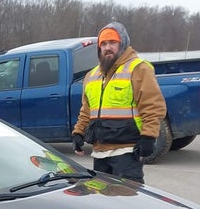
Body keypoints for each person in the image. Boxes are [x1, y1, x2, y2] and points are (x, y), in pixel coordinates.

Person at [71, 22, 166, 183]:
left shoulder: (138, 69)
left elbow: (153, 106)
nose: (108, 47)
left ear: (123, 44)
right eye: (104, 44)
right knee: (103, 196)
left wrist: (149, 136)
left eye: (112, 42)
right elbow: (86, 110)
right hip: (100, 152)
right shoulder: (91, 76)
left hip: (127, 151)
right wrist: (78, 133)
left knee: (127, 197)